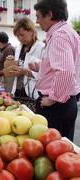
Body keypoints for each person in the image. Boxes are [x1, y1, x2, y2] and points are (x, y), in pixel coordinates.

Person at [29, 0, 80, 141]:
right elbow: (68, 66)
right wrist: (41, 67)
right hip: (66, 102)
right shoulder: (69, 32)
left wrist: (52, 99)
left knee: (52, 152)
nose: (37, 21)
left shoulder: (59, 36)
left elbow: (65, 71)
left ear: (49, 15)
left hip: (57, 105)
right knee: (62, 150)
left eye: (38, 16)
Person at [10, 17, 45, 102]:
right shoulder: (18, 48)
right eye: (17, 36)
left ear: (32, 31)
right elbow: (21, 65)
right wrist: (12, 62)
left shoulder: (42, 48)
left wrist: (26, 72)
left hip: (33, 93)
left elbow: (46, 75)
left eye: (22, 35)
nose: (20, 38)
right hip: (18, 91)